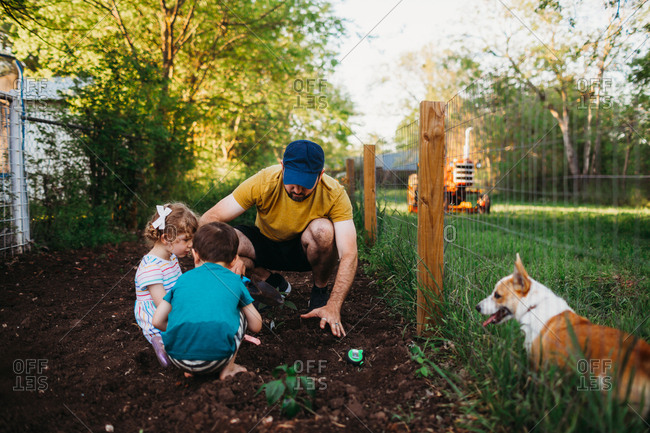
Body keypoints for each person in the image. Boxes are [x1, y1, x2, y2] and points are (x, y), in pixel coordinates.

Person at [200, 139, 357, 337]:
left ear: (321, 175)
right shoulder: (264, 180)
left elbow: (349, 253)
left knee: (323, 230)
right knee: (228, 240)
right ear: (282, 167)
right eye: (292, 181)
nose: (298, 190)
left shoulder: (334, 193)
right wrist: (232, 259)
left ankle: (319, 293)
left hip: (304, 250)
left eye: (306, 184)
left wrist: (335, 305)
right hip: (265, 244)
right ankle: (267, 282)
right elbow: (209, 219)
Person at [152, 222, 263, 379]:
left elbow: (157, 321)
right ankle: (229, 369)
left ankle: (191, 368)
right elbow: (256, 325)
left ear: (195, 255)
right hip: (216, 359)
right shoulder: (235, 281)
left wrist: (181, 330)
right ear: (234, 260)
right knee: (240, 311)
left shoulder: (182, 280)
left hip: (177, 358)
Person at [134, 203, 199, 367]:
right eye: (186, 240)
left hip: (172, 307)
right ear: (166, 239)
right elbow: (162, 304)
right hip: (157, 315)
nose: (191, 245)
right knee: (186, 332)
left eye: (192, 239)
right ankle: (159, 341)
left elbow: (178, 287)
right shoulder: (151, 267)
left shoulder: (170, 257)